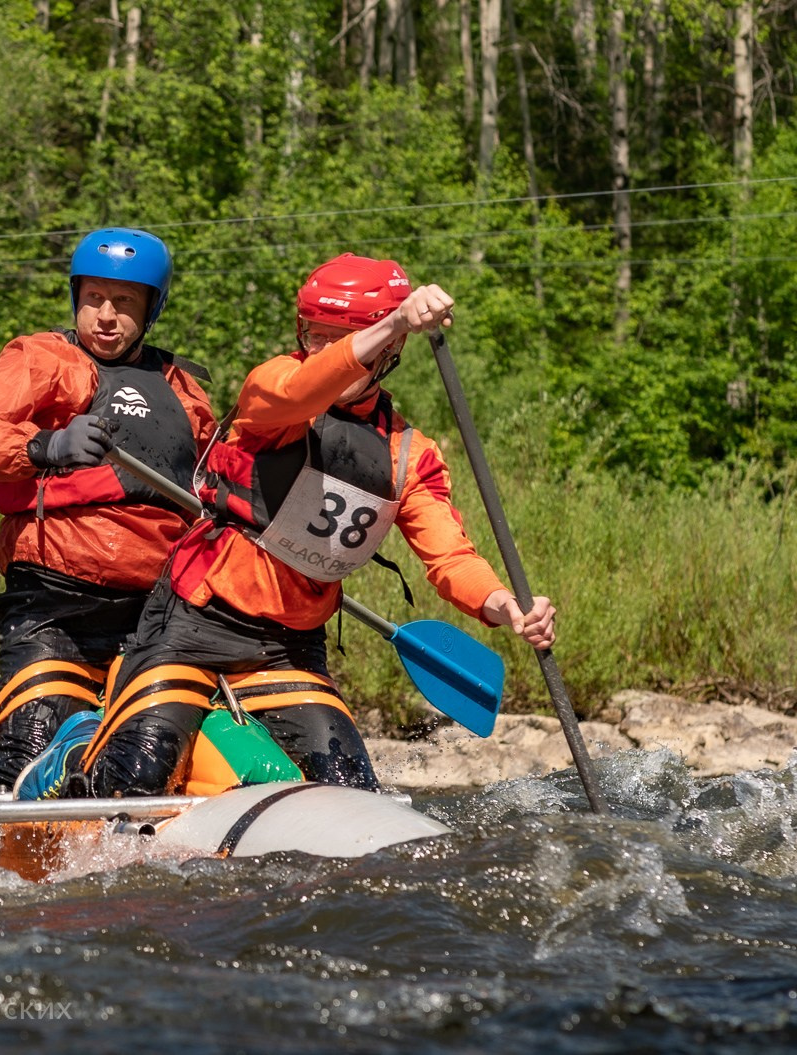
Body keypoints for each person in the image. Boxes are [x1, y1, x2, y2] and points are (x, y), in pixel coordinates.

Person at [78, 254, 556, 797]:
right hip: (191, 623)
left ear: (392, 352)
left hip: (290, 648)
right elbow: (305, 389)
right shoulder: (275, 389)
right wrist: (395, 320)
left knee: (350, 787)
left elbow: (450, 559)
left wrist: (506, 607)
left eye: (343, 338)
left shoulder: (408, 457)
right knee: (137, 774)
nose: (323, 351)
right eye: (315, 335)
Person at [0, 228, 216, 794]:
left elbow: (213, 482)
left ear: (152, 308)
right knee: (26, 748)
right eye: (93, 300)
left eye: (124, 303)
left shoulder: (184, 389)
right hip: (53, 602)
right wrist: (44, 446)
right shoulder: (43, 359)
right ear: (76, 299)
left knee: (149, 762)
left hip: (154, 611)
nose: (106, 317)